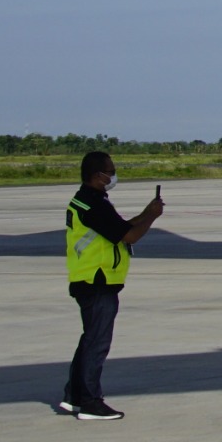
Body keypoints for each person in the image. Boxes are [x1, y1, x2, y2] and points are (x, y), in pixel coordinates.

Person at [61, 150, 163, 421]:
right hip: (98, 281)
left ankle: (74, 396)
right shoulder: (93, 205)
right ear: (98, 176)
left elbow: (119, 228)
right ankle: (90, 402)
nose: (113, 175)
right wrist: (152, 218)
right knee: (97, 343)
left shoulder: (89, 201)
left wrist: (147, 213)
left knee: (90, 339)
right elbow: (130, 236)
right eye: (110, 171)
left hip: (91, 279)